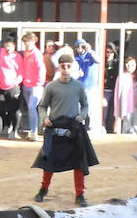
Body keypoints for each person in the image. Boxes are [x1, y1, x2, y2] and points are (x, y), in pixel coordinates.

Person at [32, 49, 98, 207]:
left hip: (74, 128)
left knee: (79, 162)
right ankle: (43, 189)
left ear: (72, 67)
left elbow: (85, 105)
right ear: (58, 68)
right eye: (63, 66)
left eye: (69, 66)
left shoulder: (78, 86)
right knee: (49, 160)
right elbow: (42, 106)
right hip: (55, 127)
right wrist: (44, 118)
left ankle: (80, 194)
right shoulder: (51, 87)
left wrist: (82, 115)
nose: (66, 69)